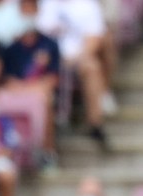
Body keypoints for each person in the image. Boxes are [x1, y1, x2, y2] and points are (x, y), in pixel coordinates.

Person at [38, 0, 114, 148]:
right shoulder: (46, 4)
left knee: (92, 67)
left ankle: (95, 123)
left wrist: (75, 58)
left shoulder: (87, 5)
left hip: (77, 57)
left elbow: (94, 40)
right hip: (48, 59)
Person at [2, 0, 59, 168]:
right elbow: (8, 81)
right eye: (24, 8)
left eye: (31, 8)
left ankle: (47, 152)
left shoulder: (49, 44)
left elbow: (52, 79)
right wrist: (25, 89)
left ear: (37, 11)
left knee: (45, 99)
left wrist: (29, 88)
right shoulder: (11, 48)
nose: (28, 13)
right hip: (17, 94)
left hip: (39, 93)